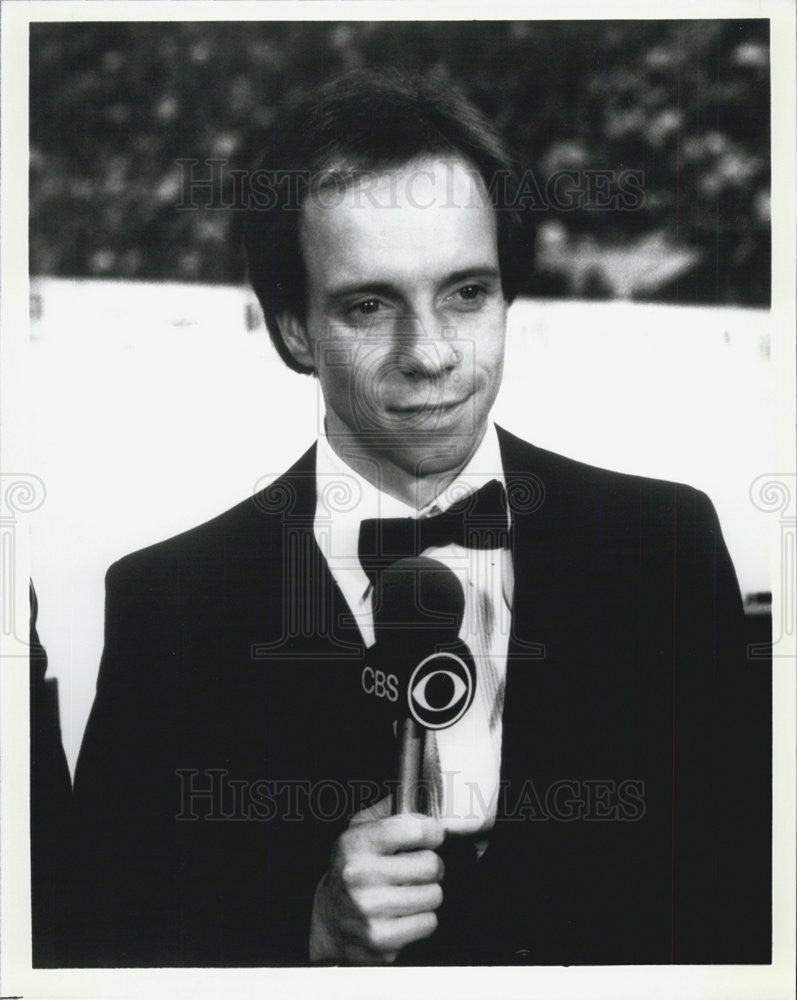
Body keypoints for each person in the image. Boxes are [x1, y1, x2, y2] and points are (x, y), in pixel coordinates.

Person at [72, 69, 770, 967]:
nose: (431, 353)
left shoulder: (663, 545)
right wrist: (306, 937)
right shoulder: (168, 602)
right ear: (292, 328)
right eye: (370, 305)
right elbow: (96, 949)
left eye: (467, 293)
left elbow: (745, 906)